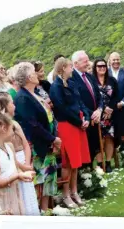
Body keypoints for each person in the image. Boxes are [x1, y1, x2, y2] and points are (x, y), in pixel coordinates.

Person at [13, 62, 61, 212]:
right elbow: (33, 125)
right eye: (34, 72)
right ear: (28, 77)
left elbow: (48, 118)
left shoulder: (36, 93)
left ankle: (46, 210)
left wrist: (53, 137)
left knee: (48, 179)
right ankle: (38, 211)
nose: (37, 74)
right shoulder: (22, 98)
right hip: (36, 146)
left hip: (47, 143)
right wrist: (52, 139)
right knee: (39, 180)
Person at [0, 91, 40, 215]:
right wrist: (17, 175)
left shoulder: (9, 146)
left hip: (16, 193)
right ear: (4, 128)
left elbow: (15, 164)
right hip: (4, 198)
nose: (13, 131)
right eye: (11, 129)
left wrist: (24, 168)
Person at [49, 57, 91, 208]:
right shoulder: (56, 87)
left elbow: (80, 103)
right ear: (62, 69)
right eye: (70, 67)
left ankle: (75, 191)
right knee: (68, 161)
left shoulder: (72, 83)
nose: (72, 69)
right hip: (66, 125)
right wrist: (80, 122)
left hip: (78, 124)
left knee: (76, 161)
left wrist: (85, 116)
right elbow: (62, 109)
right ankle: (66, 194)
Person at [69, 51, 103, 166]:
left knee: (95, 146)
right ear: (76, 63)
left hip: (96, 117)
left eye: (88, 60)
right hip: (85, 119)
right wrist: (91, 114)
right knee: (87, 149)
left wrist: (99, 110)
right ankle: (87, 174)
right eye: (85, 61)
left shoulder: (89, 76)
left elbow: (99, 96)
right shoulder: (71, 78)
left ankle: (94, 173)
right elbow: (78, 101)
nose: (88, 63)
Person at [93, 58, 119, 172]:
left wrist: (111, 108)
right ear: (95, 68)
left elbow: (116, 96)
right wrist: (101, 110)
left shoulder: (112, 80)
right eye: (99, 66)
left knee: (109, 138)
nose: (102, 68)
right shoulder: (92, 80)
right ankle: (100, 164)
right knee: (98, 140)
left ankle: (108, 162)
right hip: (97, 115)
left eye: (104, 66)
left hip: (110, 115)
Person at [108, 52, 124, 165]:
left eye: (117, 59)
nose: (116, 62)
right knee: (111, 131)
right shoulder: (106, 73)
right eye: (114, 60)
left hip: (123, 107)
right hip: (110, 109)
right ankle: (112, 155)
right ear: (110, 61)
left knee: (123, 130)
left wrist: (123, 102)